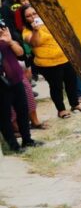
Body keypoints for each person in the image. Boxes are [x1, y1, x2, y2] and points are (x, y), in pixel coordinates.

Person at [20, 6, 81, 118]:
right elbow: (34, 43)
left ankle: (75, 104)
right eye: (28, 16)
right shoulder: (26, 31)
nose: (33, 16)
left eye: (34, 13)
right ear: (25, 19)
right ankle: (61, 110)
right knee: (56, 86)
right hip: (47, 63)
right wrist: (36, 30)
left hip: (64, 57)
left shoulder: (48, 22)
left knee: (71, 82)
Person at [0, 21, 39, 151]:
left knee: (23, 111)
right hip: (2, 84)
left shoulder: (6, 37)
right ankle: (14, 146)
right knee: (5, 116)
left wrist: (10, 41)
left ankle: (27, 140)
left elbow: (21, 54)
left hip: (16, 79)